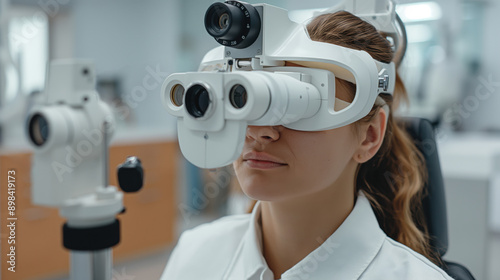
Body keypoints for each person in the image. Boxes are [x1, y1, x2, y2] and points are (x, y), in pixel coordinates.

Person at [161, 11, 453, 280]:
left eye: (298, 105)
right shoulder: (195, 255)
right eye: (245, 98)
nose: (259, 132)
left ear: (369, 137)